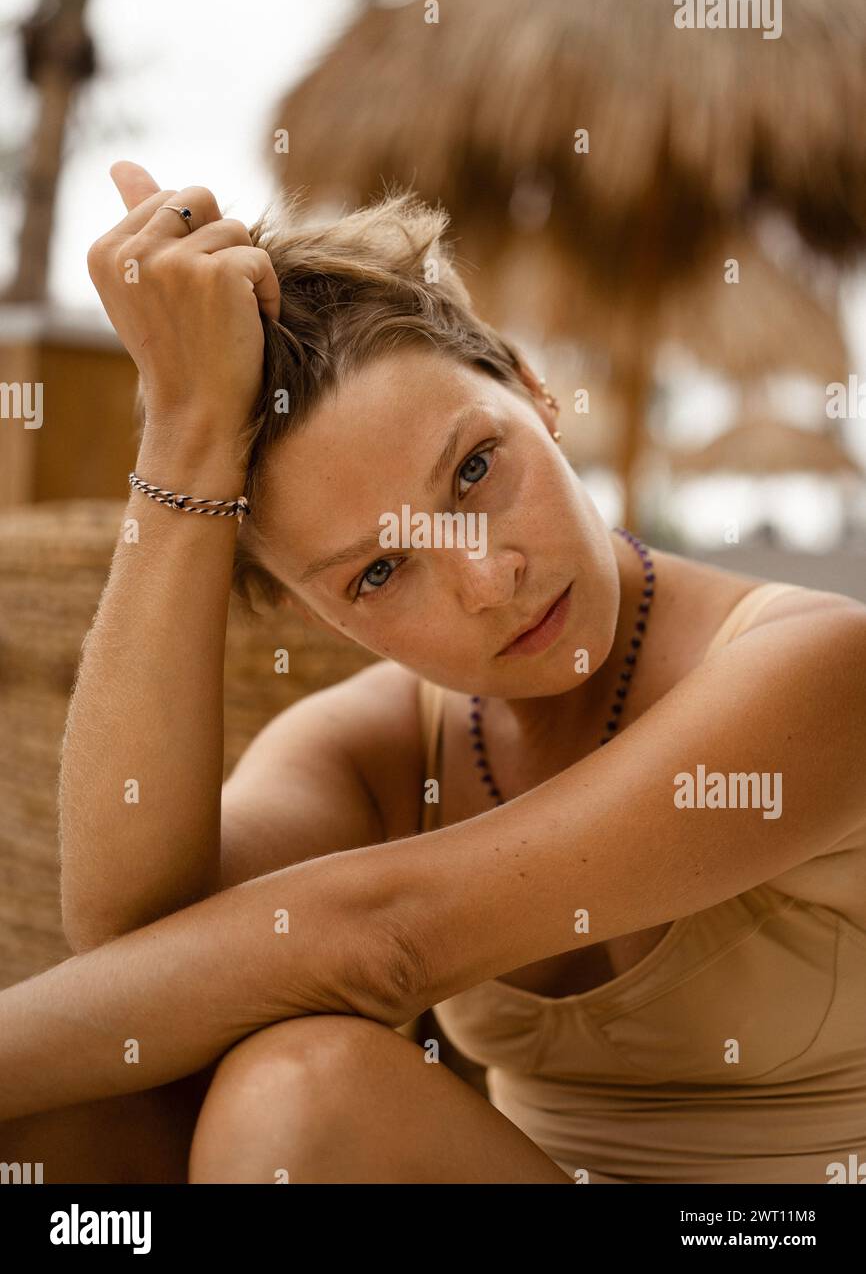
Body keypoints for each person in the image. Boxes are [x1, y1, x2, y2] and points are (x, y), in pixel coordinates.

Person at [0, 162, 864, 1184]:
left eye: (473, 469)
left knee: (303, 1091)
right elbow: (133, 951)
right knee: (67, 1131)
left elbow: (387, 943)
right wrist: (185, 446)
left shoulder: (815, 665)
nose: (487, 582)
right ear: (311, 612)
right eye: (376, 570)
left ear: (530, 385)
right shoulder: (379, 746)